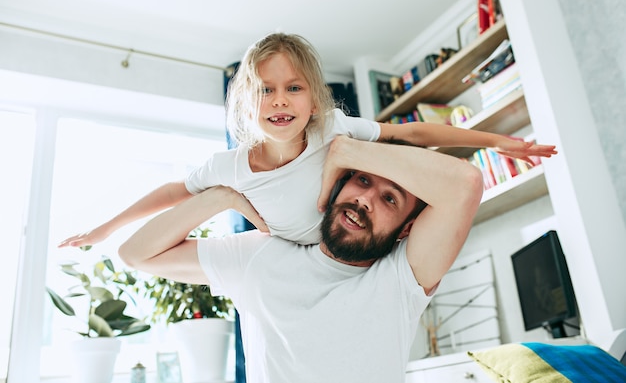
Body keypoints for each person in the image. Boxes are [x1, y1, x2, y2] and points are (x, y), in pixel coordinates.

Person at [60, 33, 556, 248]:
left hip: (343, 247)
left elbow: (412, 133)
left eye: (293, 88)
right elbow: (172, 193)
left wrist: (494, 139)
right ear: (246, 104)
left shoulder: (332, 130)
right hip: (283, 250)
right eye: (266, 90)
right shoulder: (229, 164)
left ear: (314, 100)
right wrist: (106, 228)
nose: (280, 101)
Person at [118, 135, 485, 383]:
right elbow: (136, 254)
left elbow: (465, 184)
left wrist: (348, 149)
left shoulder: (404, 277)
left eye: (391, 199)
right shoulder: (259, 255)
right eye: (361, 181)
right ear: (338, 183)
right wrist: (219, 199)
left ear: (406, 229)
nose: (366, 200)